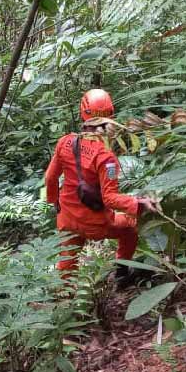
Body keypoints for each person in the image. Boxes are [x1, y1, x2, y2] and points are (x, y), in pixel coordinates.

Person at [44, 89, 159, 284]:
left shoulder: (66, 142)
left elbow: (50, 178)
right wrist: (140, 204)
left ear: (83, 113)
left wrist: (54, 201)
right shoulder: (107, 158)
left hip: (67, 219)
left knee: (67, 262)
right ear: (110, 116)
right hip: (95, 224)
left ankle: (65, 302)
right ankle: (122, 273)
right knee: (129, 229)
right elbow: (110, 198)